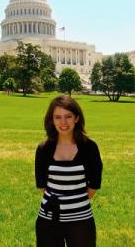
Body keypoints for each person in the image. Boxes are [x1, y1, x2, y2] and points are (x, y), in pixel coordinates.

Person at [35, 95, 103, 247]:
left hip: (81, 221)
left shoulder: (90, 148)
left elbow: (93, 186)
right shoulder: (43, 149)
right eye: (57, 117)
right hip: (48, 221)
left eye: (68, 116)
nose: (63, 122)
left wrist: (74, 205)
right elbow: (42, 185)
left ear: (77, 118)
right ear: (52, 120)